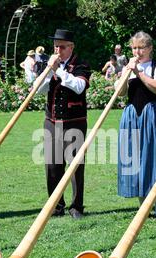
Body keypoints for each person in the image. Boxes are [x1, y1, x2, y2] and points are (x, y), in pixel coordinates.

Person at [116, 31, 156, 220]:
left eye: (141, 47)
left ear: (149, 48)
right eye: (134, 47)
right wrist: (127, 73)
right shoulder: (129, 67)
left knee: (154, 159)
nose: (137, 51)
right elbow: (120, 93)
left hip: (152, 115)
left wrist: (138, 72)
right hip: (132, 115)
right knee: (134, 159)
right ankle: (142, 208)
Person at [37, 29, 91, 219]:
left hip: (74, 122)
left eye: (61, 47)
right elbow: (38, 90)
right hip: (51, 121)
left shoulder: (81, 64)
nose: (57, 50)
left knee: (76, 166)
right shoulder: (49, 65)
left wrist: (58, 70)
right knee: (52, 165)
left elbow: (78, 87)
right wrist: (47, 72)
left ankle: (76, 206)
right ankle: (56, 205)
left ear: (71, 47)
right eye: (55, 47)